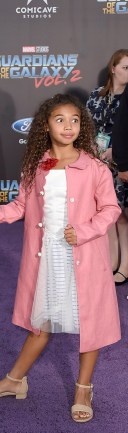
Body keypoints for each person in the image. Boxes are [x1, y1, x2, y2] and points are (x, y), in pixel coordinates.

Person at [0, 94, 121, 423]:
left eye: (75, 120)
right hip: (47, 257)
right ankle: (15, 380)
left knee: (89, 323)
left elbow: (111, 209)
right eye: (60, 119)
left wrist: (84, 230)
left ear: (83, 126)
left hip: (84, 256)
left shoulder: (95, 167)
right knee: (42, 322)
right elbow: (20, 207)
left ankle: (84, 388)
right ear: (45, 126)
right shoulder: (36, 166)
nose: (68, 126)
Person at [86, 49, 128, 286]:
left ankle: (125, 266)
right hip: (99, 164)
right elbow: (87, 127)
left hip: (121, 161)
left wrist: (115, 151)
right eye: (125, 68)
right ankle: (112, 263)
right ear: (113, 68)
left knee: (122, 216)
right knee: (108, 215)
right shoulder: (95, 96)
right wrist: (93, 150)